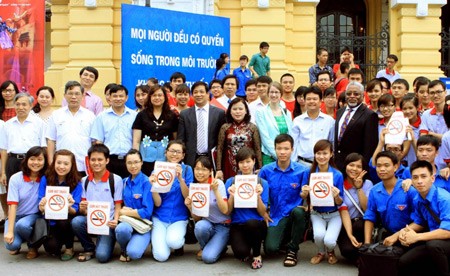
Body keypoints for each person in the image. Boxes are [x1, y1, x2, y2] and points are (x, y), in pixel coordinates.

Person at [259, 134, 308, 267]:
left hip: (294, 214)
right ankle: (285, 241)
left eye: (286, 148)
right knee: (270, 250)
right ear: (274, 149)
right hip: (275, 215)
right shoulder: (265, 170)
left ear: (292, 149)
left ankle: (292, 250)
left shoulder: (303, 170)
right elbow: (259, 195)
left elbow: (306, 195)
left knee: (299, 212)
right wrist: (263, 213)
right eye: (279, 148)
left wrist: (305, 196)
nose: (282, 152)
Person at [71, 144, 123, 263]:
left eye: (100, 159)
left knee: (102, 257)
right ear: (88, 161)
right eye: (93, 160)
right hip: (91, 220)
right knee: (76, 222)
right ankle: (89, 247)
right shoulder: (84, 181)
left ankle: (109, 240)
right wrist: (83, 208)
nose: (96, 163)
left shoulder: (116, 180)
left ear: (107, 160)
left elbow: (118, 205)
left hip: (108, 223)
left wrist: (115, 220)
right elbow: (83, 211)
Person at [398, 160, 450, 276]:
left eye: (423, 176)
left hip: (443, 239)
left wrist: (417, 237)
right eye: (415, 178)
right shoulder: (417, 199)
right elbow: (419, 222)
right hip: (434, 239)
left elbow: (447, 231)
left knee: (434, 246)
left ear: (432, 178)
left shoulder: (444, 198)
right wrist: (404, 232)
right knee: (404, 262)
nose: (419, 181)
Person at [1, 93, 46, 217]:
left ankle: (32, 218)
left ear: (31, 106)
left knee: (31, 191)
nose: (21, 107)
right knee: (13, 192)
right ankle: (12, 220)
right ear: (14, 105)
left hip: (32, 162)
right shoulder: (7, 124)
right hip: (12, 161)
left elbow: (43, 147)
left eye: (24, 104)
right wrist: (3, 172)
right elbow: (4, 149)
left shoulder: (39, 123)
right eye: (18, 104)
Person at [301, 140, 344, 265]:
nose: (321, 156)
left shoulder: (337, 175)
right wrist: (304, 192)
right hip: (317, 213)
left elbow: (341, 202)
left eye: (325, 153)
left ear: (331, 154)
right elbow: (302, 195)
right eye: (318, 153)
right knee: (318, 236)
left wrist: (336, 196)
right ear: (314, 155)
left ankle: (330, 251)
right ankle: (321, 252)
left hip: (334, 214)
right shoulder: (309, 173)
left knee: (329, 241)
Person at [149, 140, 193, 262]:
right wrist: (153, 187)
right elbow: (157, 203)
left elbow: (188, 197)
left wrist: (180, 179)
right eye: (172, 151)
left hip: (179, 217)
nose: (175, 154)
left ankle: (171, 240)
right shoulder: (158, 169)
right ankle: (160, 241)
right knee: (161, 257)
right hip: (160, 216)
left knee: (174, 242)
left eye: (178, 152)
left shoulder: (187, 170)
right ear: (166, 152)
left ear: (183, 155)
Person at [225, 147, 268, 269]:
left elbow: (262, 212)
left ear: (254, 161)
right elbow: (228, 210)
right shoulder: (230, 182)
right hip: (238, 225)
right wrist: (232, 196)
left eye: (248, 161)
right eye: (241, 162)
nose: (245, 165)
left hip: (256, 224)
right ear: (237, 164)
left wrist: (258, 196)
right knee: (241, 254)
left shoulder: (262, 183)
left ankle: (257, 255)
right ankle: (248, 244)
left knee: (252, 223)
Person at [363, 151, 417, 245]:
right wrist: (367, 243)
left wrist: (398, 235)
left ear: (395, 167)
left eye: (386, 165)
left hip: (410, 235)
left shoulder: (407, 189)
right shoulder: (374, 191)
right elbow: (370, 216)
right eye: (379, 166)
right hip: (387, 235)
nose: (382, 169)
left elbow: (420, 220)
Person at [37, 149, 82, 261]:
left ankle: (69, 247)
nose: (62, 166)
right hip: (50, 219)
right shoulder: (45, 179)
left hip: (66, 220)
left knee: (64, 221)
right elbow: (40, 206)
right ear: (54, 163)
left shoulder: (77, 182)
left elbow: (75, 210)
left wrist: (69, 206)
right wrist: (42, 205)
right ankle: (57, 240)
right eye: (59, 163)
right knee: (52, 249)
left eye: (66, 164)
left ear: (72, 165)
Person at [4, 146, 48, 259]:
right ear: (26, 160)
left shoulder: (46, 178)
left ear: (45, 161)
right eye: (32, 159)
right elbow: (12, 205)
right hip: (16, 216)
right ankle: (19, 241)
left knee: (22, 225)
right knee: (11, 245)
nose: (36, 163)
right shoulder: (16, 178)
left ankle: (33, 246)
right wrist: (10, 231)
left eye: (39, 159)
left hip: (34, 215)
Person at [185, 156, 229, 264]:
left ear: (210, 171)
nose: (200, 172)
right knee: (200, 226)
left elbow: (225, 210)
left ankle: (219, 247)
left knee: (208, 258)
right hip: (207, 224)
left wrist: (215, 190)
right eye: (197, 169)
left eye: (204, 169)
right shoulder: (195, 187)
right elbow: (197, 218)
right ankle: (206, 246)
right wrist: (190, 206)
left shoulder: (218, 183)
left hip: (223, 225)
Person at [46, 81, 96, 175]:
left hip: (84, 166)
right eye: (70, 93)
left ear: (82, 96)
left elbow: (94, 142)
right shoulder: (56, 115)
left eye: (77, 94)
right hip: (61, 166)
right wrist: (51, 164)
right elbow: (51, 141)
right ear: (65, 95)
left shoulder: (90, 116)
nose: (73, 97)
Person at [91, 84, 137, 178]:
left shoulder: (134, 116)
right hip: (110, 160)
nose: (118, 98)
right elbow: (98, 141)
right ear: (110, 98)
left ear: (126, 98)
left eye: (121, 96)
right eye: (115, 96)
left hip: (129, 160)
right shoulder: (101, 117)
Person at [115, 149, 153, 262]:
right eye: (129, 163)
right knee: (121, 229)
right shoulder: (123, 182)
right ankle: (123, 249)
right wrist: (122, 210)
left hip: (143, 226)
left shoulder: (147, 182)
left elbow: (147, 212)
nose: (133, 166)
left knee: (134, 253)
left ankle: (139, 244)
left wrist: (125, 212)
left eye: (136, 162)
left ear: (142, 162)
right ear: (125, 164)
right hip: (128, 223)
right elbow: (118, 204)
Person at [132, 84, 178, 175]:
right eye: (154, 95)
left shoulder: (171, 116)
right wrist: (136, 159)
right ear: (150, 97)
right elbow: (136, 141)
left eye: (160, 95)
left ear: (165, 97)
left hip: (165, 158)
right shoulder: (141, 115)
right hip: (145, 157)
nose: (157, 98)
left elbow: (176, 140)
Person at [178, 81, 225, 168]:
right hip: (191, 159)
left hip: (211, 158)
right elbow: (181, 139)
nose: (198, 95)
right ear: (192, 95)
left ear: (207, 94)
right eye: (195, 92)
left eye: (201, 92)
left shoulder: (219, 113)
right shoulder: (184, 114)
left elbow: (221, 139)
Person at [334, 81, 379, 172]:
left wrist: (362, 167)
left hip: (356, 167)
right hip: (338, 164)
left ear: (363, 96)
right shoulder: (340, 112)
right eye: (349, 93)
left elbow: (370, 147)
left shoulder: (370, 115)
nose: (352, 96)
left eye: (356, 94)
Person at [337, 153, 373, 263]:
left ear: (363, 169)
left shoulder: (368, 184)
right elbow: (343, 210)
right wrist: (350, 235)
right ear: (345, 166)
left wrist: (359, 188)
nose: (354, 169)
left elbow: (366, 209)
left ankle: (365, 255)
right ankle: (361, 257)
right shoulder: (340, 184)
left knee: (359, 225)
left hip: (362, 223)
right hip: (345, 224)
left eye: (358, 166)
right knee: (347, 250)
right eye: (351, 165)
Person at [216, 98, 262, 181]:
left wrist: (260, 168)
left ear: (246, 111)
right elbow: (219, 149)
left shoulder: (252, 128)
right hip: (229, 166)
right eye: (234, 109)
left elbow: (257, 149)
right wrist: (219, 169)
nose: (238, 112)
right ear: (230, 111)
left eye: (241, 109)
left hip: (248, 164)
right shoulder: (225, 127)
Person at [291, 86, 334, 167]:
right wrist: (294, 164)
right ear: (304, 100)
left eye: (314, 99)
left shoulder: (329, 121)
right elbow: (294, 144)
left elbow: (332, 142)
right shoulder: (297, 121)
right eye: (309, 99)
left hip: (323, 164)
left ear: (321, 100)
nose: (311, 101)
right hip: (302, 164)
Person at [256, 82, 293, 165]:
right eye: (271, 92)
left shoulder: (287, 113)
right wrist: (277, 154)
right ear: (268, 93)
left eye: (276, 92)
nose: (273, 95)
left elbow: (290, 135)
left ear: (281, 94)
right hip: (269, 155)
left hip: (286, 155)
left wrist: (286, 153)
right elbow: (264, 137)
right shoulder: (261, 112)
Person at [419, 80, 449, 170]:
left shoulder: (449, 113)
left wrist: (432, 135)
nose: (435, 95)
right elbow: (423, 138)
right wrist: (443, 138)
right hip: (431, 160)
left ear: (445, 92)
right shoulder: (426, 114)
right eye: (432, 93)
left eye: (439, 92)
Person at [401, 94, 420, 166]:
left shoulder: (423, 125)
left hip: (417, 165)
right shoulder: (398, 125)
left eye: (410, 108)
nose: (407, 111)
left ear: (417, 107)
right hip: (401, 166)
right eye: (404, 109)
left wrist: (413, 139)